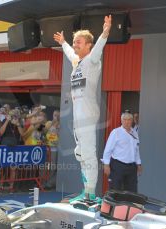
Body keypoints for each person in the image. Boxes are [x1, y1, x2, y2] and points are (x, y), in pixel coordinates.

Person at [53, 15, 112, 202]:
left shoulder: (93, 60)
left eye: (78, 42)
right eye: (74, 41)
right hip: (78, 115)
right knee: (80, 154)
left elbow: (100, 46)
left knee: (88, 153)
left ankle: (91, 194)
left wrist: (105, 32)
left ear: (88, 45)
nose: (75, 44)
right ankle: (86, 191)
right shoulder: (77, 62)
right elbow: (70, 53)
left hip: (87, 113)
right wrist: (63, 43)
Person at [102, 111, 142, 193]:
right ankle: (114, 206)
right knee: (115, 190)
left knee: (132, 191)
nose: (127, 122)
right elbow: (108, 149)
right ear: (121, 120)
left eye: (129, 119)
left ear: (132, 121)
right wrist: (106, 164)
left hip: (132, 167)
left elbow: (136, 150)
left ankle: (128, 206)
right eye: (125, 119)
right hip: (117, 166)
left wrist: (139, 164)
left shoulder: (135, 133)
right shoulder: (116, 132)